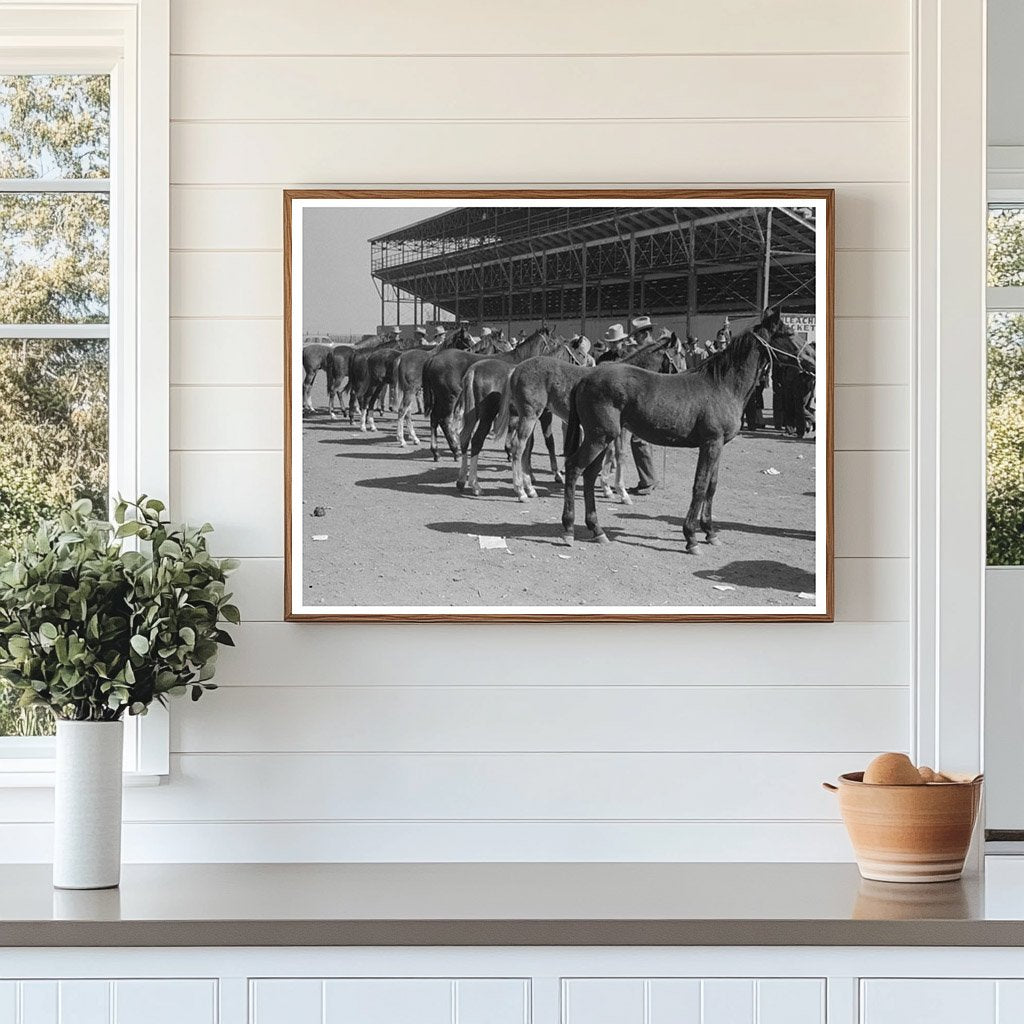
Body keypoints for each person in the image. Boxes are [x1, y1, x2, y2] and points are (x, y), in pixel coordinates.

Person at [626, 316, 659, 496]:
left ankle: (648, 481)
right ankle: (649, 479)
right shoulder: (654, 350)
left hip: (649, 401)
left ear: (645, 334)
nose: (635, 339)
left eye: (637, 336)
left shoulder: (650, 353)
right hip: (650, 400)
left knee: (639, 439)